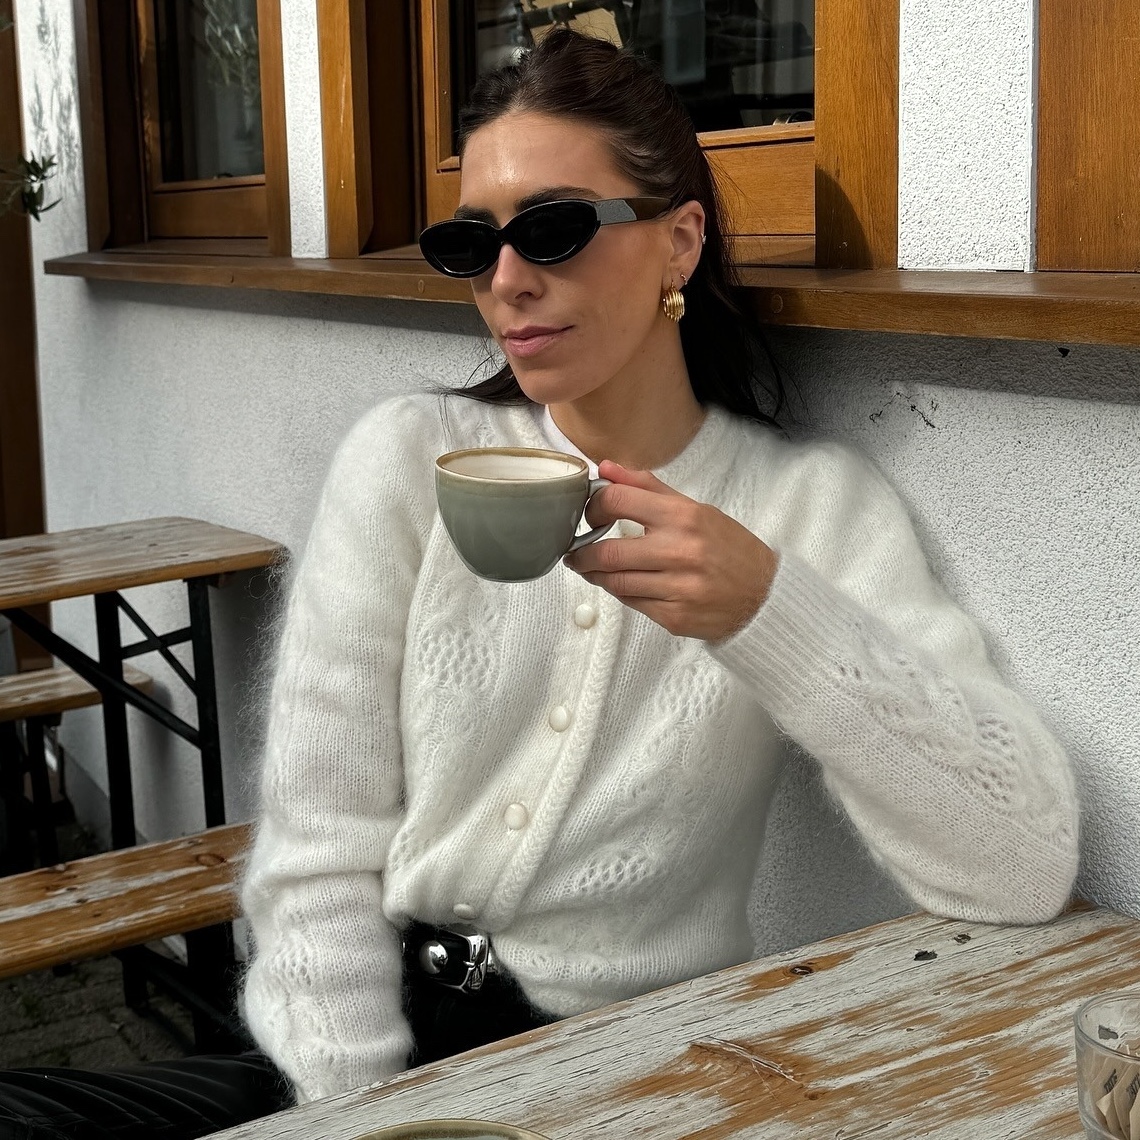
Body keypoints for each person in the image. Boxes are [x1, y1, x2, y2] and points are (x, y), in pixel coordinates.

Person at [0, 26, 1079, 1140]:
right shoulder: (408, 456)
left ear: (680, 242)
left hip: (627, 1066)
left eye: (554, 230)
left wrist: (773, 614)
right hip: (361, 1041)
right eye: (474, 244)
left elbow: (1019, 866)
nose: (510, 281)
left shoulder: (812, 507)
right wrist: (358, 1108)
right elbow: (319, 846)